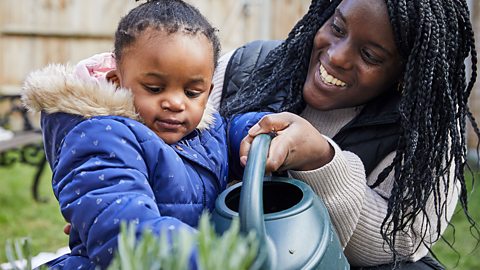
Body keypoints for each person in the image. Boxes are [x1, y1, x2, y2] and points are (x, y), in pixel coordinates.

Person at [211, 0, 480, 269]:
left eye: (370, 56)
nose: (337, 56)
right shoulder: (246, 66)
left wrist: (321, 161)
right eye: (338, 28)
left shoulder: (425, 133)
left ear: (406, 72)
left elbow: (403, 240)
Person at [21, 0, 267, 269]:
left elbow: (233, 132)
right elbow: (126, 232)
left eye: (192, 92)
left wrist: (263, 130)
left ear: (207, 93)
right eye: (154, 88)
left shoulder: (206, 133)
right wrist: (219, 259)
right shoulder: (103, 139)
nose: (175, 102)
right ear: (117, 83)